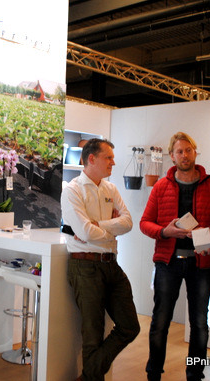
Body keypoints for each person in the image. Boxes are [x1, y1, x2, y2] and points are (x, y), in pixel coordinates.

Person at [140, 132, 210, 381]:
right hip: (168, 262)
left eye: (188, 150)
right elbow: (145, 223)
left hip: (202, 263)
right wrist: (165, 231)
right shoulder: (161, 186)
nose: (185, 155)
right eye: (179, 151)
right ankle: (153, 373)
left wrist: (209, 231)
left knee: (199, 322)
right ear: (172, 156)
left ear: (195, 152)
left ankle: (195, 374)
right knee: (160, 320)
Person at [61, 138, 140, 381]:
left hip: (111, 264)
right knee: (92, 335)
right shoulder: (72, 190)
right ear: (91, 158)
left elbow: (128, 223)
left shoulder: (111, 189)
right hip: (85, 266)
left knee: (130, 326)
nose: (113, 162)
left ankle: (87, 377)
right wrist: (110, 229)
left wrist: (99, 225)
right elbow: (85, 232)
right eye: (109, 158)